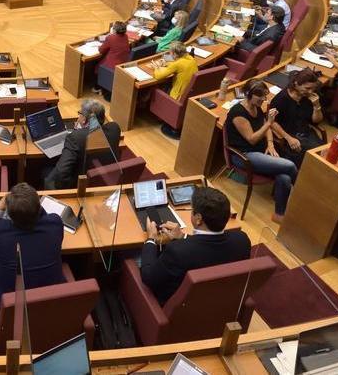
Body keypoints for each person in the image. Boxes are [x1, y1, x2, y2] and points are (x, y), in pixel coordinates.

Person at [139, 186, 251, 304]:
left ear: (198, 219)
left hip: (176, 309)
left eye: (192, 210)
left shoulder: (177, 251)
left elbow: (148, 278)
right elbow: (208, 249)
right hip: (220, 303)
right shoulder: (242, 240)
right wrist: (183, 237)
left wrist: (151, 239)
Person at [0, 183, 65, 315]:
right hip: (50, 303)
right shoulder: (55, 223)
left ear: (10, 216)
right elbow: (44, 217)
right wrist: (32, 204)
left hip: (13, 306)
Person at [224, 81, 295, 219]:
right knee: (290, 166)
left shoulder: (257, 107)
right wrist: (269, 122)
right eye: (260, 97)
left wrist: (270, 143)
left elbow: (264, 127)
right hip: (244, 156)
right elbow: (252, 139)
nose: (263, 100)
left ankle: (279, 215)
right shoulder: (238, 113)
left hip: (260, 152)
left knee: (285, 177)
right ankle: (305, 195)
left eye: (264, 96)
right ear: (248, 95)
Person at [44, 99, 121, 190]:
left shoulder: (75, 137)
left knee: (46, 172)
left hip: (81, 184)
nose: (78, 116)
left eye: (79, 113)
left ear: (84, 119)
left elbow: (62, 171)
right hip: (105, 178)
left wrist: (63, 191)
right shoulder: (115, 129)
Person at [269, 68, 325, 159]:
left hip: (306, 132)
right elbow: (272, 122)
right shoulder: (281, 99)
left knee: (324, 152)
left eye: (313, 89)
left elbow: (316, 121)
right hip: (289, 135)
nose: (310, 91)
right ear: (296, 84)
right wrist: (288, 138)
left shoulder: (309, 97)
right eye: (307, 88)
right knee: (314, 157)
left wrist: (317, 106)